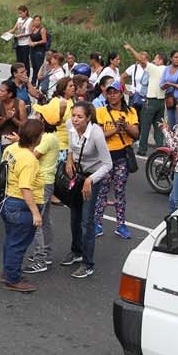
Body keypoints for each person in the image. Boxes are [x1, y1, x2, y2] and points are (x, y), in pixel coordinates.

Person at [61, 103, 110, 279]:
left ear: (88, 117)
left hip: (93, 177)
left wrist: (90, 180)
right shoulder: (70, 125)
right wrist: (68, 159)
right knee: (74, 216)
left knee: (87, 221)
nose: (75, 119)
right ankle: (77, 251)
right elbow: (70, 145)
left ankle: (88, 264)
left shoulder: (96, 134)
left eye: (79, 116)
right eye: (73, 115)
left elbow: (108, 164)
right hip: (78, 175)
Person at [0, 119, 46, 293]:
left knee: (11, 240)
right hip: (21, 206)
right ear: (36, 138)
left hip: (8, 201)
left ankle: (9, 271)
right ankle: (13, 279)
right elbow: (25, 187)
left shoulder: (12, 148)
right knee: (18, 243)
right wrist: (36, 212)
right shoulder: (29, 160)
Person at [94, 83, 140, 238]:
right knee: (102, 192)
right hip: (105, 159)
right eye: (109, 93)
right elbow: (98, 135)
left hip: (122, 158)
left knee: (120, 192)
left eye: (115, 93)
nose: (112, 95)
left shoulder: (131, 111)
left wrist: (125, 126)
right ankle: (97, 223)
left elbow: (136, 134)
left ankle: (121, 225)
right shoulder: (100, 112)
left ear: (121, 94)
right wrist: (115, 129)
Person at [24, 103, 63, 272]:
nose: (36, 116)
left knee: (36, 220)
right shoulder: (51, 137)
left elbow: (32, 157)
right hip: (47, 181)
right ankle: (46, 253)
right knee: (45, 218)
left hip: (42, 183)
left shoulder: (46, 138)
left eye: (39, 114)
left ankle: (40, 258)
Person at [124, 44, 167, 149]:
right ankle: (160, 148)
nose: (153, 60)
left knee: (145, 126)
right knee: (158, 127)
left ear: (160, 60)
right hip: (161, 102)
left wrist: (131, 49)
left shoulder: (155, 69)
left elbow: (141, 60)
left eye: (156, 58)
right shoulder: (167, 70)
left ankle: (142, 148)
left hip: (151, 101)